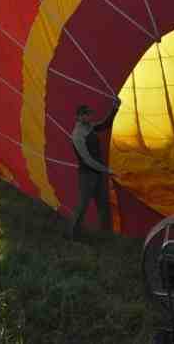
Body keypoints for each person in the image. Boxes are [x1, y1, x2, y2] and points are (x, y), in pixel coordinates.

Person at [67, 97, 121, 240]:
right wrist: (106, 170)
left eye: (89, 114)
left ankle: (104, 235)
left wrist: (115, 108)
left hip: (98, 174)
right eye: (85, 114)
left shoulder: (89, 127)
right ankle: (72, 235)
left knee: (103, 204)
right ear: (78, 116)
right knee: (82, 206)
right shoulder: (78, 135)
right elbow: (87, 160)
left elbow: (104, 125)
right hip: (87, 175)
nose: (89, 116)